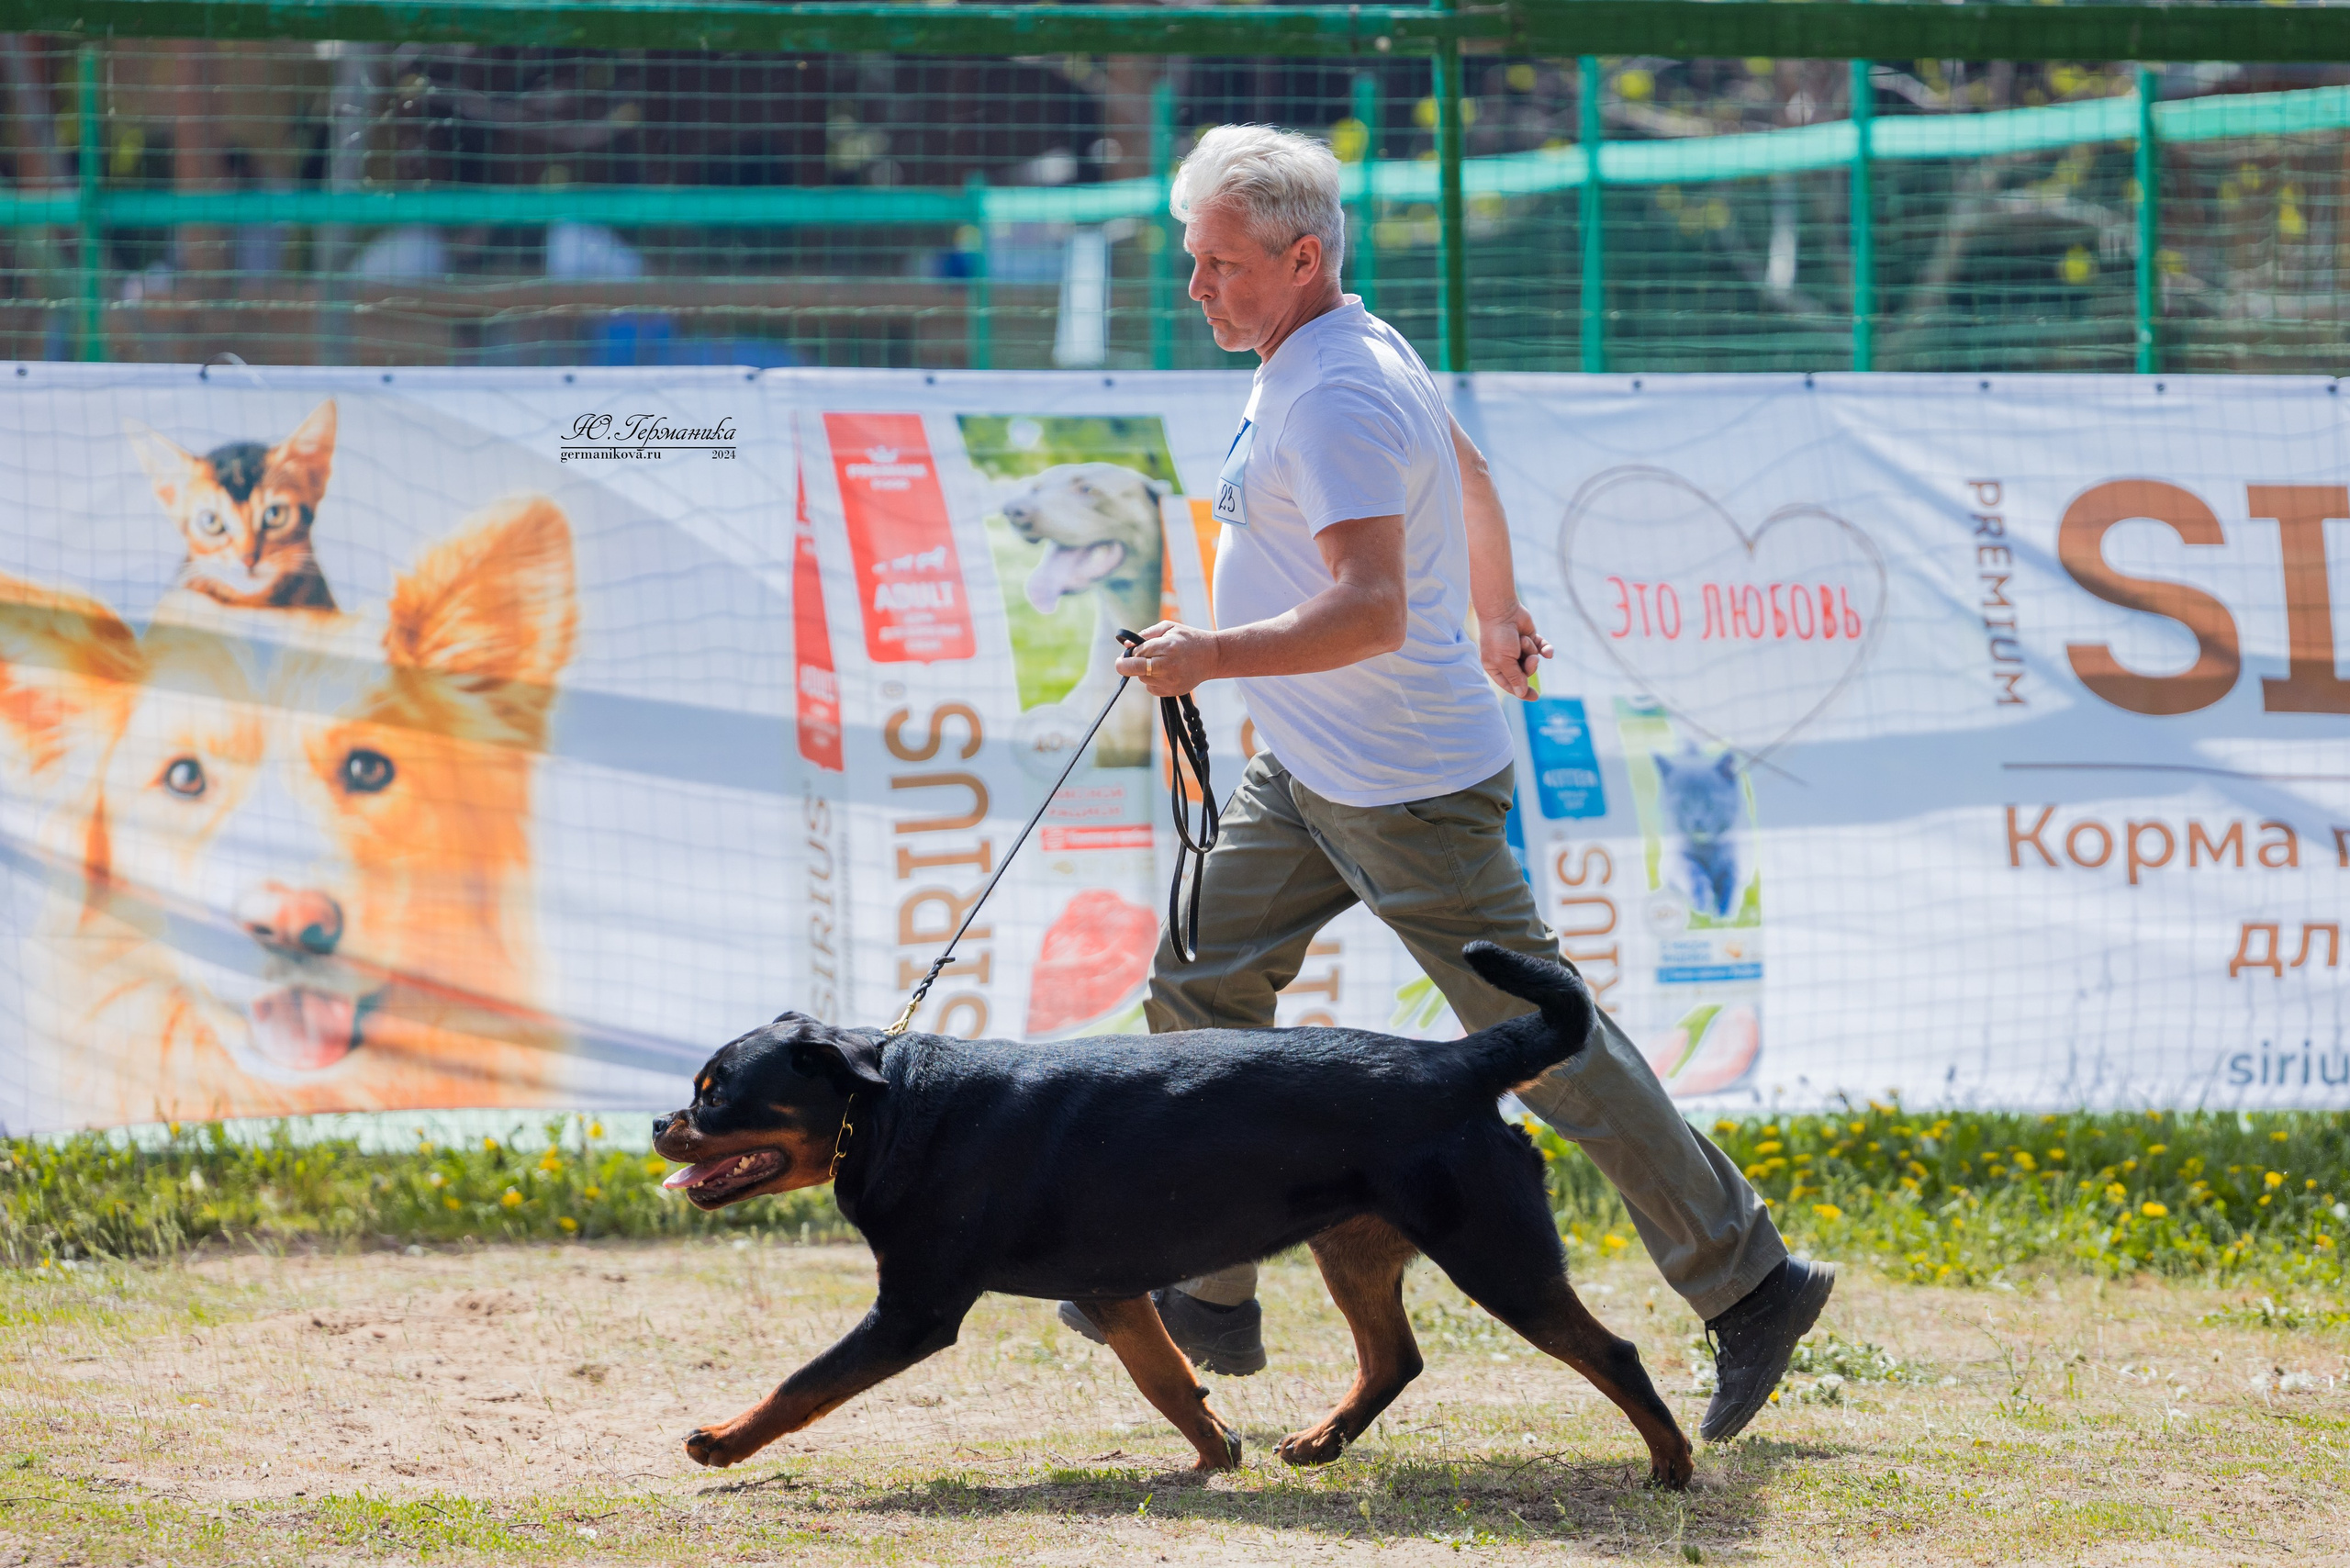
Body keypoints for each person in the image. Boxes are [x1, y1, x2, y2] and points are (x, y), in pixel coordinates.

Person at [1053, 123, 1830, 1444]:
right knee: (1198, 980)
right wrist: (1497, 607)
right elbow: (1465, 471)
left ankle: (1752, 1280)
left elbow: (1365, 608)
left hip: (1404, 789)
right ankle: (1211, 1287)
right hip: (1312, 770)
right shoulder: (1337, 350)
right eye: (1195, 259)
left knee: (1548, 1051)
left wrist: (1208, 656)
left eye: (1222, 264)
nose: (1198, 287)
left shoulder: (1338, 394)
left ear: (1302, 259)